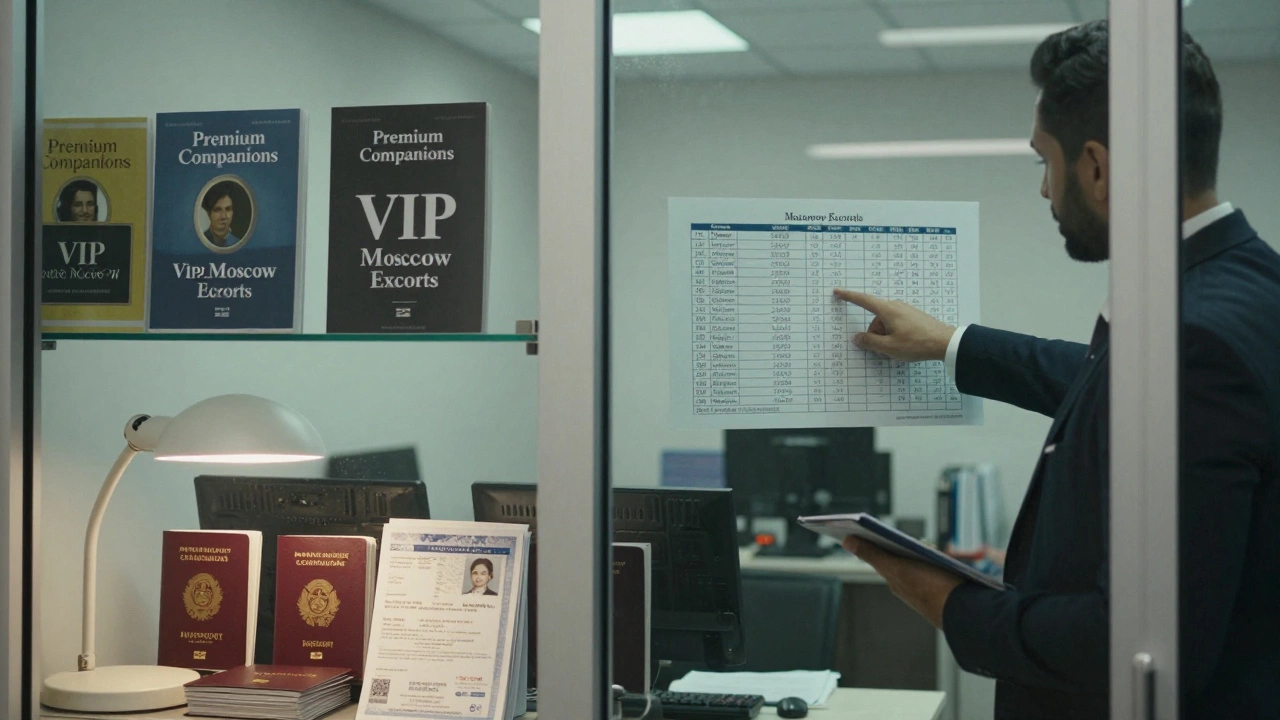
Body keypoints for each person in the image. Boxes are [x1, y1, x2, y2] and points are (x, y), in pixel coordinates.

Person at [835, 20, 1280, 719]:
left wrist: (942, 598)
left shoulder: (1192, 338)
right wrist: (952, 343)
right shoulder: (1247, 286)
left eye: (1045, 161)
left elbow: (1137, 644)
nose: (1044, 190)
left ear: (1098, 168)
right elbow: (1114, 383)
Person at [200, 181, 242, 248]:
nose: (224, 216)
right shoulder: (200, 242)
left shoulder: (239, 243)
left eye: (228, 209)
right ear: (209, 214)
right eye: (217, 210)